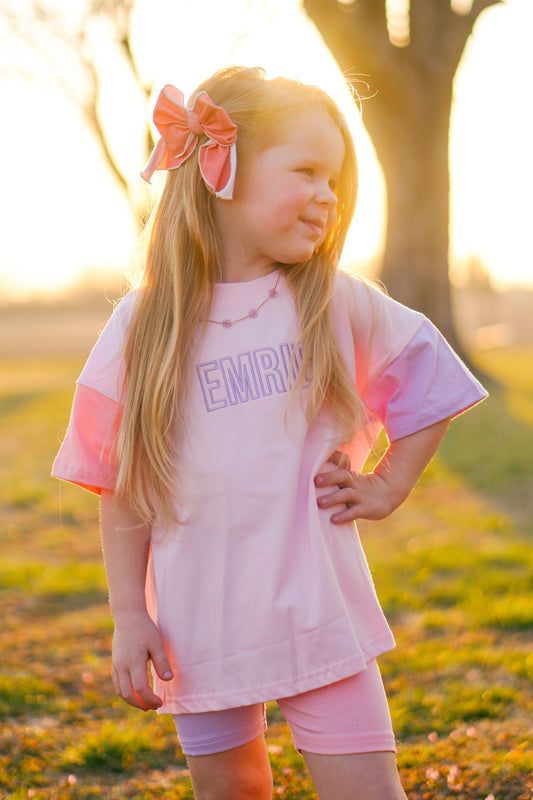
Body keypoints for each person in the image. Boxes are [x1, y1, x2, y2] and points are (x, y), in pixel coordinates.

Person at [53, 66, 487, 800]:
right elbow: (121, 483)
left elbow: (428, 377)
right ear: (223, 171)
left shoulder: (331, 302)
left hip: (321, 614)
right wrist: (131, 614)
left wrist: (388, 483)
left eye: (337, 180)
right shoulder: (142, 326)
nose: (330, 195)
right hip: (201, 627)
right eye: (308, 172)